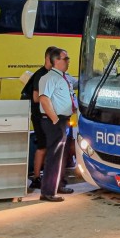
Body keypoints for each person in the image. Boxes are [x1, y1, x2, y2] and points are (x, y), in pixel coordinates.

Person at [38, 48, 77, 202]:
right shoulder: (48, 78)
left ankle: (57, 185)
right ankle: (47, 192)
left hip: (64, 120)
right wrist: (55, 120)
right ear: (56, 61)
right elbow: (44, 99)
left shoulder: (64, 77)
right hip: (55, 122)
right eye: (65, 58)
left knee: (62, 156)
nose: (68, 61)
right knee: (54, 157)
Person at [27, 45, 58, 190]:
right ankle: (36, 178)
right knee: (42, 147)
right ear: (48, 58)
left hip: (46, 115)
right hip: (40, 116)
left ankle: (41, 176)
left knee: (47, 146)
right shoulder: (41, 75)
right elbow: (36, 97)